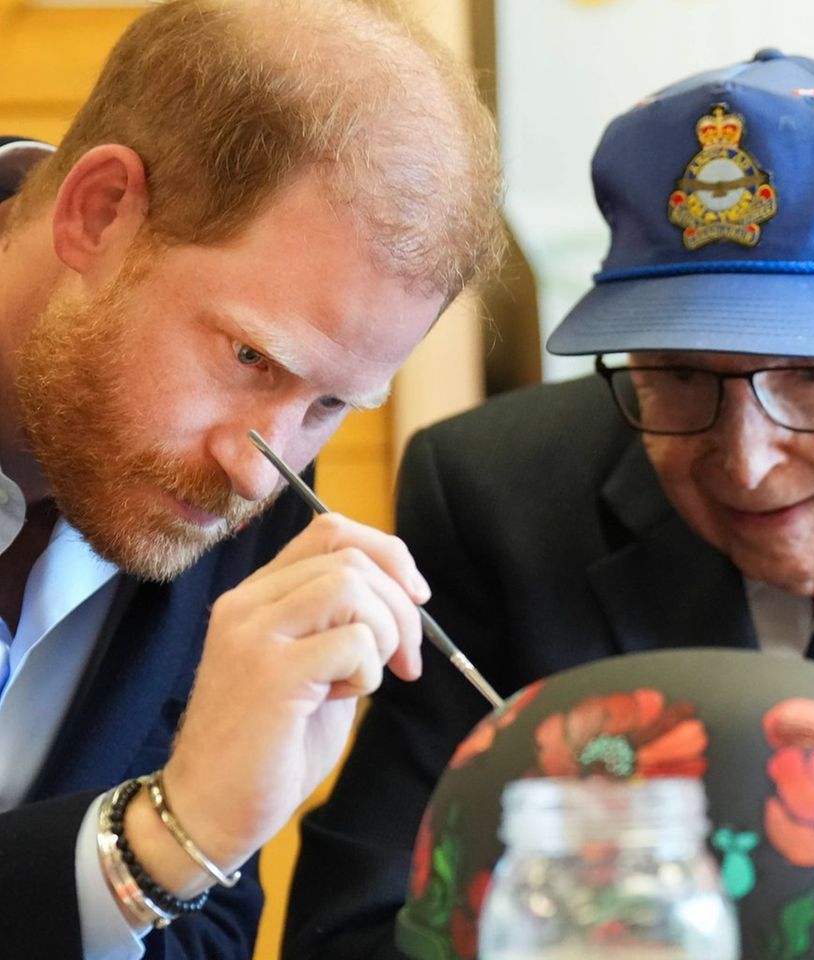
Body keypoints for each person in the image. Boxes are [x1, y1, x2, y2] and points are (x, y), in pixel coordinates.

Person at [284, 50, 814, 959]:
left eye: (812, 377)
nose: (747, 464)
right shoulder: (502, 507)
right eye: (677, 377)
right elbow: (353, 934)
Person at [0, 0, 502, 956]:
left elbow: (206, 939)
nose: (258, 472)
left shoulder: (242, 514)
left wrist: (209, 834)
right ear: (99, 214)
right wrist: (159, 841)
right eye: (248, 357)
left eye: (331, 407)